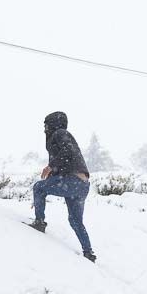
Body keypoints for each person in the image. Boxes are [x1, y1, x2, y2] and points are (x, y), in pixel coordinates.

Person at [29, 111, 95, 262]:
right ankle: (88, 253)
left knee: (38, 187)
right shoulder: (60, 138)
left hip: (72, 181)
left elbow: (67, 152)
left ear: (54, 124)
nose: (45, 129)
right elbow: (65, 162)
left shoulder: (60, 133)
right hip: (82, 186)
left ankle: (39, 222)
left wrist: (50, 167)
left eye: (46, 125)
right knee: (75, 221)